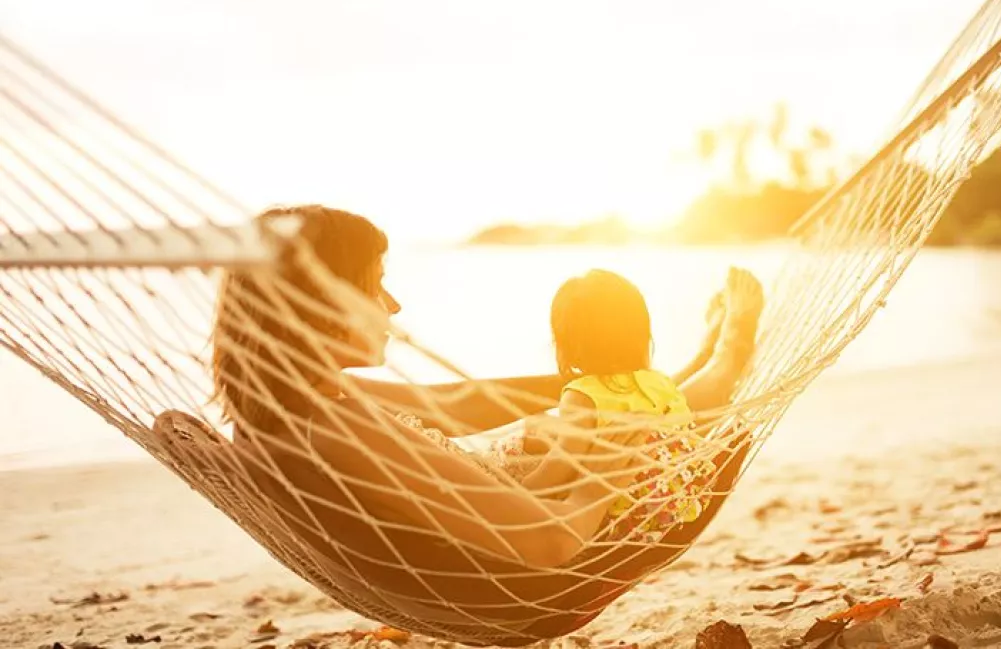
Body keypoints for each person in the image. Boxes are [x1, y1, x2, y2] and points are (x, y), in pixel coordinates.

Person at [199, 204, 762, 643]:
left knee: (622, 405)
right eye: (375, 285)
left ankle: (677, 376)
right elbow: (548, 542)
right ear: (322, 303)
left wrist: (599, 379)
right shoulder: (335, 432)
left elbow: (455, 407)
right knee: (645, 421)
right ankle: (726, 357)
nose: (392, 306)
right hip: (536, 577)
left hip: (515, 494)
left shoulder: (299, 400)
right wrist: (613, 460)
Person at [508, 268, 761, 545]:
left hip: (628, 513)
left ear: (566, 345)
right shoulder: (655, 382)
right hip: (681, 497)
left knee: (532, 434)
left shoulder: (581, 398)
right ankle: (719, 347)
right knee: (540, 427)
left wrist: (510, 496)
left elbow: (559, 470)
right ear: (642, 336)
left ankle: (724, 347)